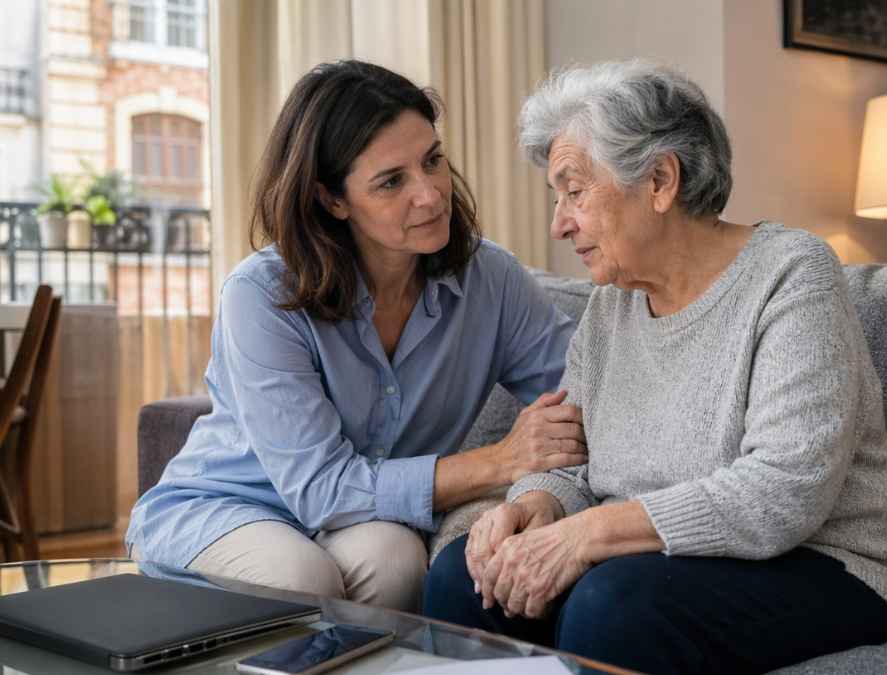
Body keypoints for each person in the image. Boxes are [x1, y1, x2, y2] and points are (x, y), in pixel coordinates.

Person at [423, 60, 887, 674]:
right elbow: (571, 460)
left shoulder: (792, 275)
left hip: (832, 563)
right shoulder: (612, 304)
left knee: (615, 605)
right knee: (462, 576)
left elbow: (785, 492)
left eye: (575, 190)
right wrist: (533, 508)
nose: (559, 223)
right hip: (658, 562)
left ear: (661, 180)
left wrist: (587, 536)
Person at [126, 60, 585, 613]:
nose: (432, 195)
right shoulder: (261, 295)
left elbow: (584, 384)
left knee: (395, 561)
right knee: (299, 577)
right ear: (332, 199)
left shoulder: (491, 279)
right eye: (393, 181)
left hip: (357, 520)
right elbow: (322, 490)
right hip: (227, 505)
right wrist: (501, 461)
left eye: (432, 161)